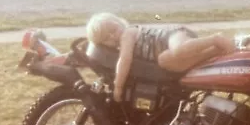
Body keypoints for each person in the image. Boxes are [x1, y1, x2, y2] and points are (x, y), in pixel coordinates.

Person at [86, 12, 235, 102]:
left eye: (113, 29)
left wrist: (118, 87)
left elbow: (124, 60)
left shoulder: (127, 34)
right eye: (106, 38)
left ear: (120, 23)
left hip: (170, 36)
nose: (113, 36)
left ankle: (214, 39)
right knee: (166, 61)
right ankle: (214, 51)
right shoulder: (121, 40)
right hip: (166, 52)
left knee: (178, 51)